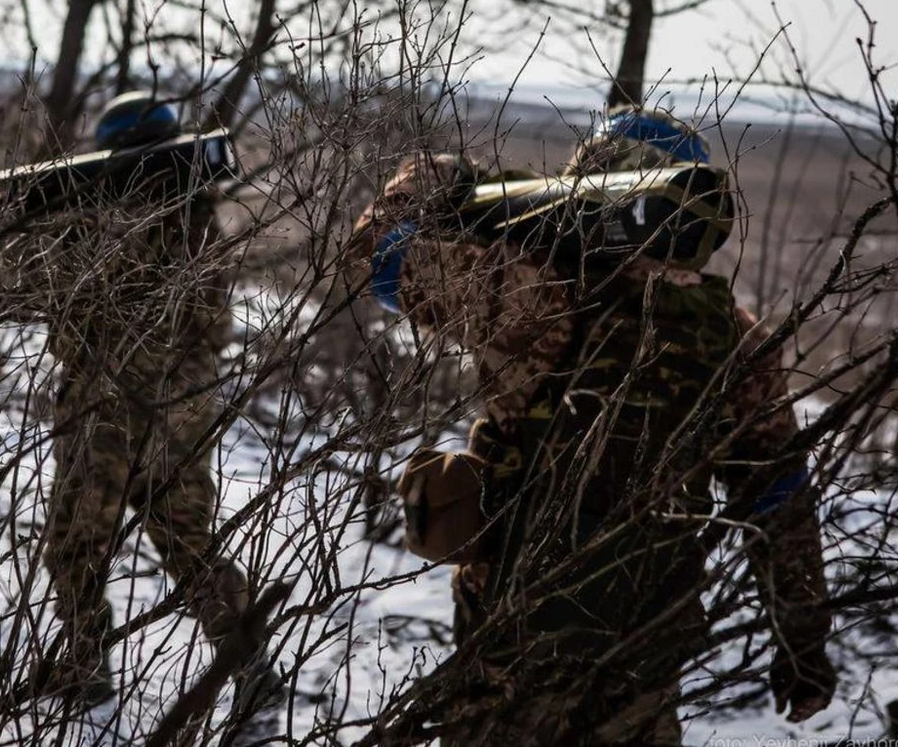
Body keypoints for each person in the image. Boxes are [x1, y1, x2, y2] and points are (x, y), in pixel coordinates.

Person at [349, 107, 836, 745]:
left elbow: (376, 255)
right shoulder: (736, 337)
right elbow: (779, 501)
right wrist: (802, 644)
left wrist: (430, 176)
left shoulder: (529, 289)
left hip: (514, 636)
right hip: (645, 645)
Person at [0, 91, 270, 706]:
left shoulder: (96, 220)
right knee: (188, 539)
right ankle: (249, 666)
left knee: (76, 542)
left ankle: (85, 667)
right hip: (184, 407)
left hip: (105, 406)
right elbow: (214, 328)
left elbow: (48, 308)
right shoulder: (200, 220)